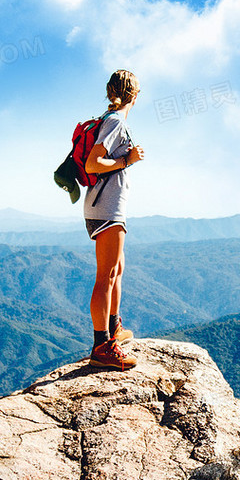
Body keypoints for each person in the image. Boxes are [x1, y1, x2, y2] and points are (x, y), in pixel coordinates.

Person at [84, 69, 144, 370]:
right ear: (135, 94)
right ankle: (102, 346)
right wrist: (127, 160)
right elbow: (93, 163)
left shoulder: (111, 121)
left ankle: (114, 328)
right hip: (106, 208)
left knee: (117, 269)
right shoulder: (115, 121)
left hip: (104, 206)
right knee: (106, 275)